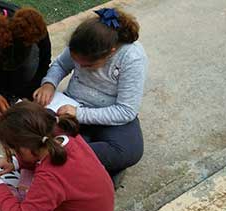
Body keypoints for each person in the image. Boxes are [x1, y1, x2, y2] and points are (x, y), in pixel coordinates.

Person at [0, 101, 114, 211]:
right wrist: (17, 163)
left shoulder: (50, 175)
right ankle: (21, 198)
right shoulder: (61, 134)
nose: (13, 154)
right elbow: (40, 164)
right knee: (26, 179)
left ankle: (18, 198)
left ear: (25, 148)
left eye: (14, 151)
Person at [34, 8, 147, 183]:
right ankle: (92, 167)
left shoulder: (132, 58)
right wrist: (49, 84)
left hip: (110, 116)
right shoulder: (81, 44)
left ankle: (74, 163)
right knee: (36, 129)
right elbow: (61, 65)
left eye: (86, 66)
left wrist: (79, 114)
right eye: (77, 63)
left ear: (110, 52)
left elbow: (126, 111)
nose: (80, 67)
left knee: (129, 150)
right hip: (70, 106)